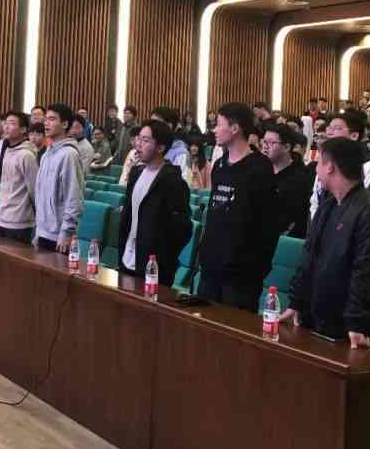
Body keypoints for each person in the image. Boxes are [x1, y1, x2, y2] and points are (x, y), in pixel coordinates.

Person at [283, 136, 370, 347]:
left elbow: (368, 270)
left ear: (330, 167)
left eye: (319, 162)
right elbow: (308, 257)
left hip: (350, 328)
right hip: (317, 315)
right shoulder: (327, 206)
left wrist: (357, 323)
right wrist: (296, 302)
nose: (316, 170)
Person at [196, 103, 281, 309]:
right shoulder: (219, 165)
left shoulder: (259, 167)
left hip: (241, 273)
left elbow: (268, 224)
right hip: (211, 266)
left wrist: (257, 267)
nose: (214, 130)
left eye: (219, 124)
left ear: (235, 128)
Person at [118, 120, 193, 284]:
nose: (138, 144)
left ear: (160, 148)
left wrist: (164, 257)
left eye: (145, 140)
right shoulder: (136, 173)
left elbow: (183, 229)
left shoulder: (173, 182)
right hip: (126, 259)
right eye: (139, 138)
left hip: (154, 268)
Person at [309, 111, 370, 221]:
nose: (329, 132)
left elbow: (366, 208)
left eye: (337, 128)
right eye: (329, 128)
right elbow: (315, 202)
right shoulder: (325, 162)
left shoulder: (368, 166)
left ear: (354, 135)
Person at [35, 104, 84, 253]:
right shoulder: (46, 154)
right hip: (43, 231)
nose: (46, 123)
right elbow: (40, 194)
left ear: (64, 124)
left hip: (59, 236)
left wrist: (66, 232)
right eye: (45, 119)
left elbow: (74, 198)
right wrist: (39, 229)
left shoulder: (69, 154)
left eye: (52, 119)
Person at [0, 111, 39, 242]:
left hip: (20, 221)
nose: (6, 127)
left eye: (12, 123)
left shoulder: (27, 155)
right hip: (2, 216)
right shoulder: (7, 150)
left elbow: (35, 190)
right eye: (6, 123)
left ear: (23, 129)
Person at [261, 123, 310, 238]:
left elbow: (295, 219)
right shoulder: (260, 171)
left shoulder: (300, 178)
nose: (265, 147)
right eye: (264, 142)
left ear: (287, 147)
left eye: (272, 143)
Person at [151, 106, 191, 182]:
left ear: (169, 126)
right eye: (150, 123)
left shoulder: (181, 153)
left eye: (155, 123)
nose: (151, 127)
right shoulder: (149, 147)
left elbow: (182, 183)